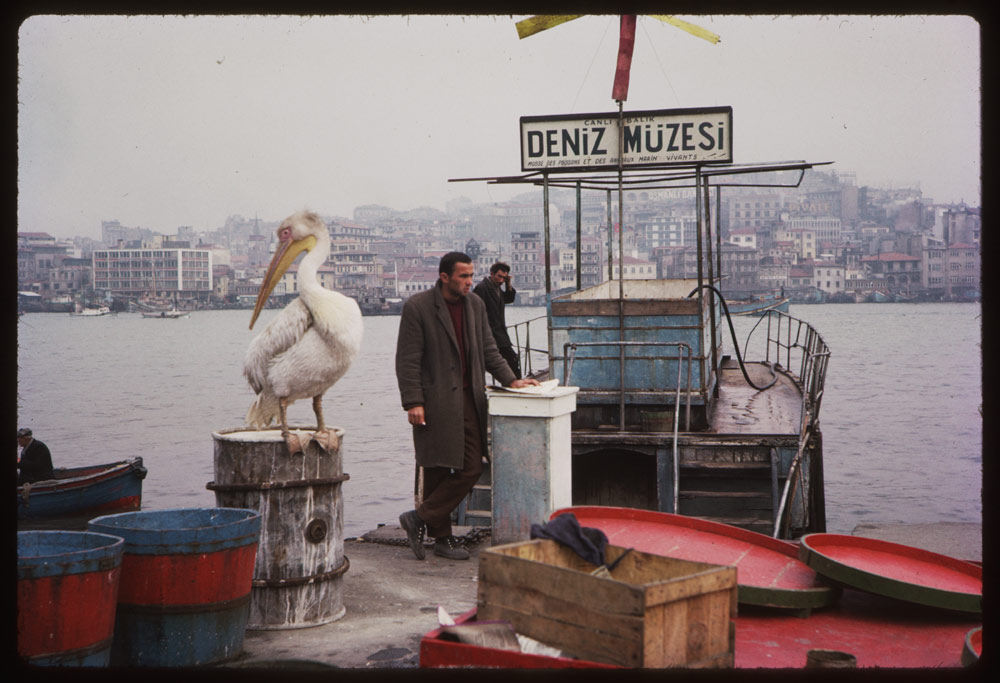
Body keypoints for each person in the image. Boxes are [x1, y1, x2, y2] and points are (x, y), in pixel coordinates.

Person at [395, 252, 539, 560]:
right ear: (444, 277)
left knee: (472, 466)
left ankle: (418, 518)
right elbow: (407, 361)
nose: (469, 281)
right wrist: (413, 401)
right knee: (435, 466)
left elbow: (489, 349)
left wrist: (511, 380)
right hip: (433, 401)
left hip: (470, 397)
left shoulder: (476, 305)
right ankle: (442, 540)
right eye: (463, 276)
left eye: (471, 275)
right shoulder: (418, 307)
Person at [473, 261, 521, 379]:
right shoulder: (482, 288)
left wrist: (508, 284)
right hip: (491, 334)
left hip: (500, 334)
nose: (501, 280)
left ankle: (515, 384)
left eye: (504, 278)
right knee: (510, 360)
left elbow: (509, 299)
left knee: (512, 361)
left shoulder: (497, 288)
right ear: (492, 274)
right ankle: (516, 385)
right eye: (499, 276)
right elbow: (475, 312)